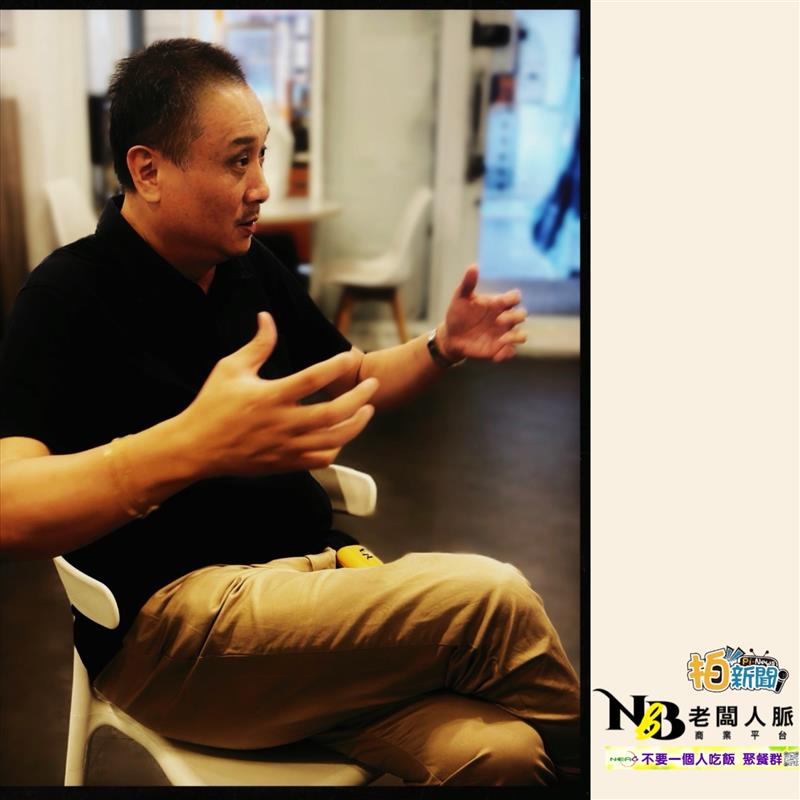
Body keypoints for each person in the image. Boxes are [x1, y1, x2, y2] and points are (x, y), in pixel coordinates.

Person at [0, 39, 579, 786]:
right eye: (237, 161)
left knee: (502, 758)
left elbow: (349, 379)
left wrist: (440, 347)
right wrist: (189, 446)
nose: (262, 187)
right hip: (174, 633)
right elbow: (9, 504)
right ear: (148, 171)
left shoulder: (248, 267)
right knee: (492, 601)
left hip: (311, 601)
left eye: (262, 156)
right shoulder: (65, 295)